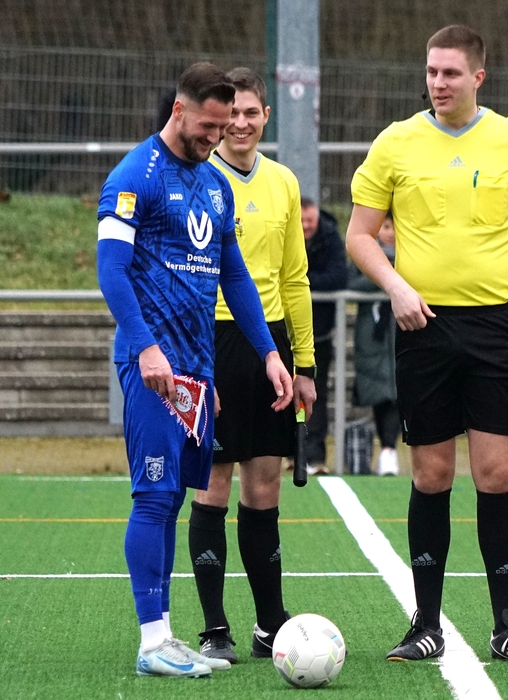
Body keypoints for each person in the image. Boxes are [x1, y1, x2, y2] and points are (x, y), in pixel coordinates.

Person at [346, 25, 508, 663]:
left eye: (450, 73)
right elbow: (360, 235)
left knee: (495, 474)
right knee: (432, 474)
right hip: (422, 327)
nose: (438, 83)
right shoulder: (396, 142)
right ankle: (425, 625)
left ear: (478, 76)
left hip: (494, 328)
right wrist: (396, 286)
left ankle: (507, 627)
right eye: (431, 72)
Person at [97, 62, 293, 678]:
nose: (218, 135)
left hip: (198, 372)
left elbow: (234, 275)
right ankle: (152, 641)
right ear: (179, 111)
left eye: (224, 124)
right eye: (208, 125)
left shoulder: (214, 185)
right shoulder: (136, 175)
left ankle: (165, 636)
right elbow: (110, 268)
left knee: (175, 498)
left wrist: (268, 352)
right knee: (154, 495)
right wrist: (144, 346)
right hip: (153, 366)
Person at [186, 67, 317, 664]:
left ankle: (271, 623)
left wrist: (304, 363)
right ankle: (215, 627)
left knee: (264, 487)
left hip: (269, 348)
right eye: (231, 114)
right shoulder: (195, 177)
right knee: (212, 485)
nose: (239, 124)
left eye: (250, 113)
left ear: (266, 116)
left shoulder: (284, 181)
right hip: (208, 342)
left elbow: (295, 278)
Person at [348, 211, 400, 476]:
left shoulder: (415, 255)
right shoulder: (362, 255)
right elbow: (350, 283)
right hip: (372, 339)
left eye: (394, 227)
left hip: (403, 332)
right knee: (379, 395)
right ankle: (386, 450)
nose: (389, 233)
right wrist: (386, 276)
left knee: (399, 394)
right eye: (385, 226)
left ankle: (390, 450)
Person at [301, 198, 347, 472]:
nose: (306, 226)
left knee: (316, 394)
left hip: (320, 334)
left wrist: (301, 282)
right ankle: (289, 453)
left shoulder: (330, 237)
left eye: (310, 220)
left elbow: (338, 277)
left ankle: (315, 456)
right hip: (288, 332)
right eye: (302, 220)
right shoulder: (286, 234)